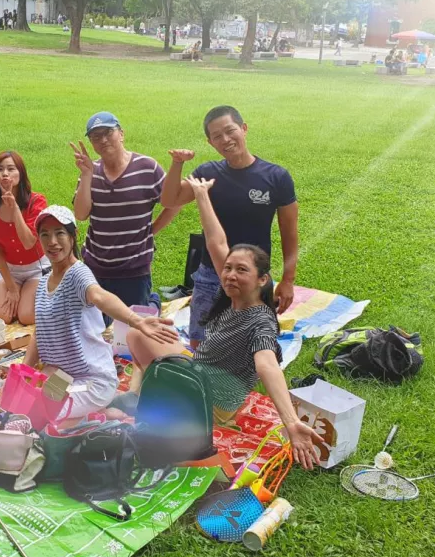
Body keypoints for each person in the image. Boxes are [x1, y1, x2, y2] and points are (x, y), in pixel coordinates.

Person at [127, 177, 324, 469]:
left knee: (141, 337)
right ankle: (139, 392)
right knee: (141, 331)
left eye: (241, 270)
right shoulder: (232, 291)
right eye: (228, 268)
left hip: (212, 400)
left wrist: (291, 421)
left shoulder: (260, 320)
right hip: (199, 372)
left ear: (262, 279)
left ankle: (146, 394)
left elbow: (267, 365)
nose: (230, 274)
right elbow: (216, 242)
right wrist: (201, 194)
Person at [23, 206, 180, 423]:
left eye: (60, 233)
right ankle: (96, 411)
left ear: (73, 236)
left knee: (45, 418)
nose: (52, 242)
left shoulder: (77, 274)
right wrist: (22, 372)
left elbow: (99, 296)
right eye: (45, 234)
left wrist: (136, 320)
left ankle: (104, 416)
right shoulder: (43, 283)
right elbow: (39, 333)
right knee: (27, 407)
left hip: (92, 381)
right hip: (63, 377)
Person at [162, 105, 299, 347]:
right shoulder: (208, 173)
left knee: (253, 345)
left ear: (244, 128)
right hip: (210, 274)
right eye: (217, 136)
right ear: (210, 142)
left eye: (230, 130)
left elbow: (289, 233)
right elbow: (170, 200)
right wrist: (176, 164)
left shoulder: (276, 177)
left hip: (254, 276)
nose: (225, 139)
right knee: (200, 343)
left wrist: (288, 280)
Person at [72, 112, 180, 320]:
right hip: (95, 265)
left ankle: (152, 302)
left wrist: (152, 230)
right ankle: (150, 303)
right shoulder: (90, 170)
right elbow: (81, 214)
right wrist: (86, 175)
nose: (103, 140)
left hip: (134, 267)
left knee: (132, 329)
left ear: (121, 134)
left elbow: (175, 201)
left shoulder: (147, 168)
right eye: (96, 136)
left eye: (108, 132)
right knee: (99, 326)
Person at [0, 151, 48, 325]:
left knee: (26, 316)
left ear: (21, 174)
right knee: (3, 317)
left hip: (36, 267)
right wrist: (11, 288)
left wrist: (15, 207)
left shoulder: (37, 202)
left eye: (11, 169)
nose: (5, 174)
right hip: (8, 269)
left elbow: (29, 242)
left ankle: (32, 296)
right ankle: (21, 294)